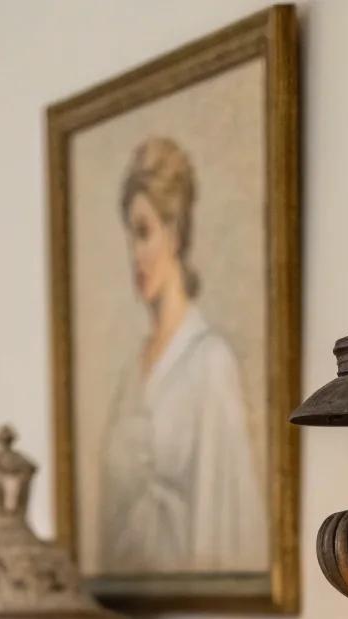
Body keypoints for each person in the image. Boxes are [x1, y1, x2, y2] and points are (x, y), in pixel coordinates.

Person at [98, 137, 264, 576]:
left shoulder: (210, 362)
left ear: (173, 232)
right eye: (129, 236)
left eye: (143, 232)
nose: (135, 253)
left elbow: (224, 527)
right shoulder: (130, 375)